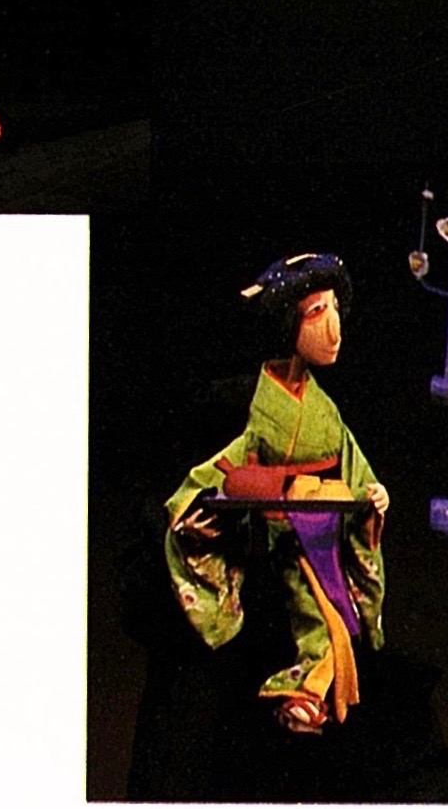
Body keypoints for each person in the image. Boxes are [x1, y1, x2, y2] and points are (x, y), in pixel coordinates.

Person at [165, 253, 392, 735]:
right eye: (317, 313)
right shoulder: (251, 404)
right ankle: (300, 694)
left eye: (335, 310)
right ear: (288, 323)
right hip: (275, 538)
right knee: (317, 613)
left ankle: (305, 696)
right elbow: (222, 468)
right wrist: (195, 512)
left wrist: (375, 498)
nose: (334, 329)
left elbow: (354, 467)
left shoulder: (325, 411)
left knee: (335, 616)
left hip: (325, 530)